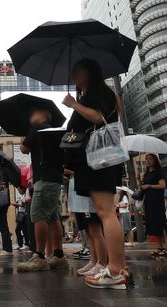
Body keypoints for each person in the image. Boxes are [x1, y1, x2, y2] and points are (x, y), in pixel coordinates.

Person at [62, 58, 128, 289]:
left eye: (77, 72)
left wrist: (73, 104)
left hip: (98, 159)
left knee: (105, 212)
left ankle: (116, 270)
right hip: (90, 161)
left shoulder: (99, 94)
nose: (74, 77)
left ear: (90, 72)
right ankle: (117, 267)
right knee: (104, 213)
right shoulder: (88, 96)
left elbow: (98, 118)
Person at [17, 109, 68, 272]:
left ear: (44, 115)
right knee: (53, 217)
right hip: (54, 179)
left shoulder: (37, 128)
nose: (31, 117)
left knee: (38, 214)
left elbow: (24, 149)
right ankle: (58, 256)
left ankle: (39, 256)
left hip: (43, 179)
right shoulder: (52, 132)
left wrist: (22, 141)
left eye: (33, 114)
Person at [139, 154, 167, 257]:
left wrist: (149, 185)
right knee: (154, 224)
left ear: (155, 160)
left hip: (157, 202)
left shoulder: (158, 173)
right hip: (149, 202)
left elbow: (163, 185)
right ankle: (160, 247)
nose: (147, 161)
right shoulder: (146, 174)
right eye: (146, 159)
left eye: (150, 159)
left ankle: (166, 247)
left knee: (160, 224)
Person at [12, 187, 30, 251]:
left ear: (23, 189)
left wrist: (17, 204)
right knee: (17, 230)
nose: (19, 191)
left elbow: (25, 203)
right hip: (20, 214)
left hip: (25, 214)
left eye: (19, 190)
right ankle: (20, 244)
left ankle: (27, 244)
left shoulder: (27, 194)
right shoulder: (22, 196)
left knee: (25, 230)